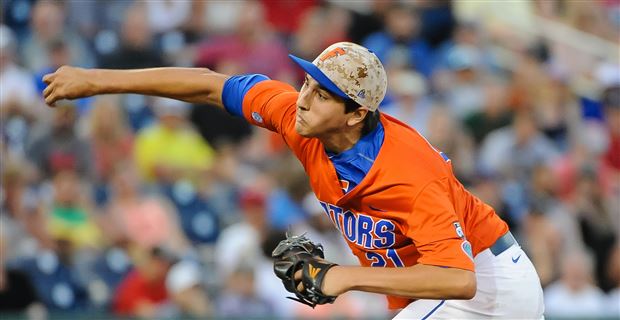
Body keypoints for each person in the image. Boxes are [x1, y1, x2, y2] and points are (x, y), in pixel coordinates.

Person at [42, 41, 544, 318]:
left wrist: (341, 276)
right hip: (440, 289)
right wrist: (98, 80)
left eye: (323, 94)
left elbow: (458, 278)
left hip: (487, 287)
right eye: (307, 82)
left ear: (354, 114)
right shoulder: (297, 118)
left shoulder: (408, 171)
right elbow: (209, 87)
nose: (304, 98)